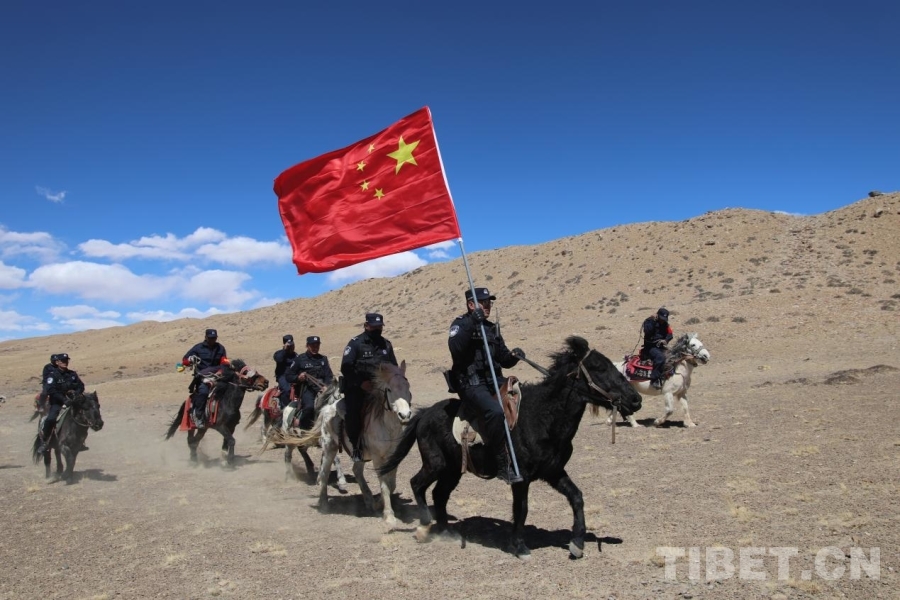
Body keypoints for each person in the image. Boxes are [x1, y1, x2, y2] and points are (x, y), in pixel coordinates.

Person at [448, 287, 524, 484]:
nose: (487, 306)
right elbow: (456, 349)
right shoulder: (460, 324)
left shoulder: (490, 328)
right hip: (471, 384)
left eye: (489, 302)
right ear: (471, 305)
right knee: (495, 412)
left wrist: (514, 356)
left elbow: (503, 358)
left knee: (524, 395)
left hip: (494, 380)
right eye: (483, 303)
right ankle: (501, 465)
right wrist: (473, 322)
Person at [341, 313, 397, 461]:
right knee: (353, 412)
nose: (377, 330)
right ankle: (356, 447)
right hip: (358, 388)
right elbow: (346, 367)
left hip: (380, 389)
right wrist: (360, 383)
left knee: (399, 406)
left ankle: (396, 441)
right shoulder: (355, 343)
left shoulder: (386, 344)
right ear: (366, 326)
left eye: (379, 327)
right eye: (374, 327)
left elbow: (394, 367)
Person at [36, 353, 86, 454]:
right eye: (62, 361)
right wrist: (64, 400)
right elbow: (51, 390)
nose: (65, 362)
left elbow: (81, 386)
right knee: (50, 419)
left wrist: (76, 394)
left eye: (66, 360)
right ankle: (45, 442)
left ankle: (81, 440)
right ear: (57, 362)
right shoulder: (52, 375)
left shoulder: (72, 374)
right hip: (57, 403)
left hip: (73, 402)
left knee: (86, 414)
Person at [181, 328, 228, 427]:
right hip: (203, 377)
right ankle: (199, 416)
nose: (212, 340)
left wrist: (221, 370)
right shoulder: (198, 348)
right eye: (210, 338)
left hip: (218, 376)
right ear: (206, 337)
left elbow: (224, 362)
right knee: (203, 392)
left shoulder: (221, 348)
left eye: (214, 338)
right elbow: (184, 360)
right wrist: (190, 360)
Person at [284, 336, 334, 429]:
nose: (315, 348)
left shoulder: (323, 359)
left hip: (322, 389)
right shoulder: (300, 359)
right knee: (309, 407)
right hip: (307, 389)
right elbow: (288, 375)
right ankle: (304, 429)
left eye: (317, 345)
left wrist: (327, 387)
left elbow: (329, 376)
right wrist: (298, 378)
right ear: (307, 346)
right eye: (312, 346)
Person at [641, 307, 673, 389]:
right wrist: (653, 321)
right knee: (660, 357)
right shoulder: (649, 322)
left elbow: (670, 334)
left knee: (673, 356)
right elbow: (648, 332)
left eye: (664, 319)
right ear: (657, 315)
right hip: (650, 348)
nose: (662, 321)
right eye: (661, 318)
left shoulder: (665, 324)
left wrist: (666, 340)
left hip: (661, 347)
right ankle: (654, 380)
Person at [273, 334, 298, 407]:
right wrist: (284, 350)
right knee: (287, 390)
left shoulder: (296, 355)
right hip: (283, 376)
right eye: (289, 346)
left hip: (294, 376)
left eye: (292, 345)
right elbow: (279, 360)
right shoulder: (278, 354)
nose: (291, 347)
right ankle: (285, 407)